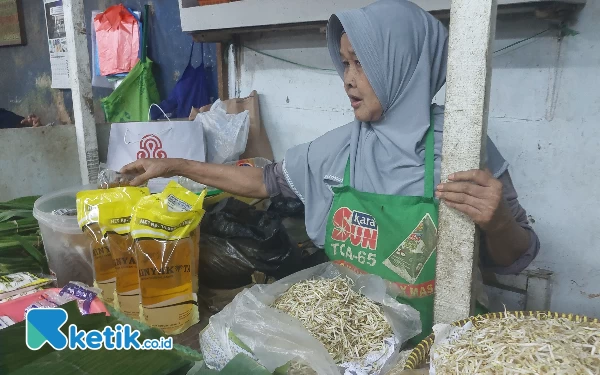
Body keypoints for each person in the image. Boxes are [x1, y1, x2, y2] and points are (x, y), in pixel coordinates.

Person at [122, 0, 540, 342]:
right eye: (344, 64)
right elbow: (263, 181)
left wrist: (499, 222)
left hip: (438, 343)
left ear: (403, 63)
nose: (348, 79)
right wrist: (176, 165)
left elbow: (512, 258)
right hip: (351, 338)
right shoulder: (343, 145)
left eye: (360, 63)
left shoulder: (462, 147)